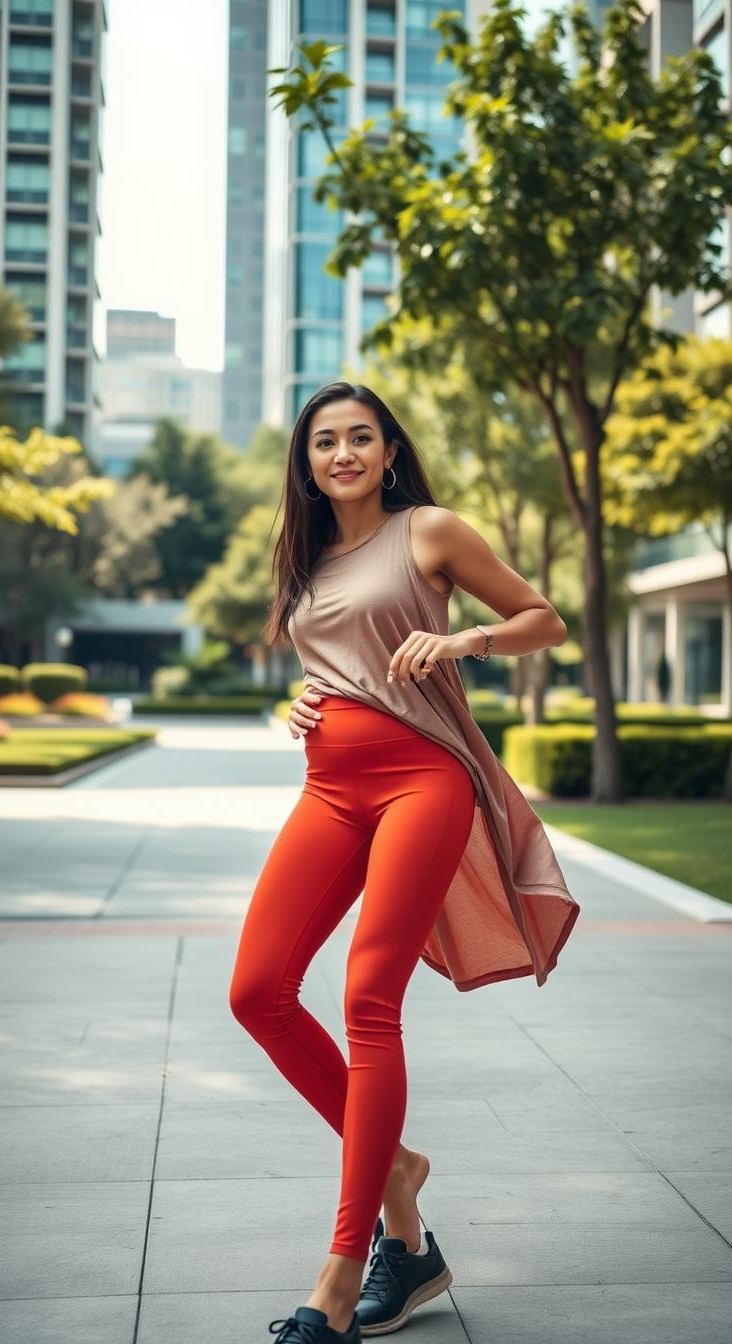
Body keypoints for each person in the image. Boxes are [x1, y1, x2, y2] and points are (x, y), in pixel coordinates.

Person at [228, 381, 580, 1344]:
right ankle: (399, 1181)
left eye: (360, 438)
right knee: (257, 990)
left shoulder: (430, 531)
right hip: (329, 785)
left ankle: (342, 1277)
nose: (342, 454)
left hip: (425, 782)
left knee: (367, 998)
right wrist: (297, 703)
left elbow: (544, 618)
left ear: (389, 450)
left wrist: (465, 636)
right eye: (324, 442)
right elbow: (333, 658)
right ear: (306, 462)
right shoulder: (304, 557)